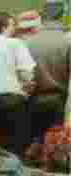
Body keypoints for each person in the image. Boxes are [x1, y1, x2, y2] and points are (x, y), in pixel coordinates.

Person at [0, 13, 35, 158]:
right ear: (4, 27)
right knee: (17, 144)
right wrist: (27, 86)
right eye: (12, 25)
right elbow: (27, 72)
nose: (14, 28)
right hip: (13, 99)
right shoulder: (15, 43)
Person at [18, 10, 70, 143]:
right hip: (60, 100)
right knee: (56, 142)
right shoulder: (66, 40)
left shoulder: (28, 42)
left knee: (37, 141)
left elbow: (25, 74)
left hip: (35, 99)